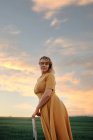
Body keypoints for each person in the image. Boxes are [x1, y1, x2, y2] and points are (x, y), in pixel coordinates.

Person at [31, 56, 73, 140]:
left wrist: (37, 109)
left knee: (59, 132)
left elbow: (47, 94)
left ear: (49, 66)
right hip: (44, 106)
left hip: (54, 105)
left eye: (46, 63)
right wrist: (40, 107)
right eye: (42, 63)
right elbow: (41, 95)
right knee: (49, 133)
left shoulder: (50, 76)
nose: (44, 65)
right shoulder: (39, 78)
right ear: (39, 65)